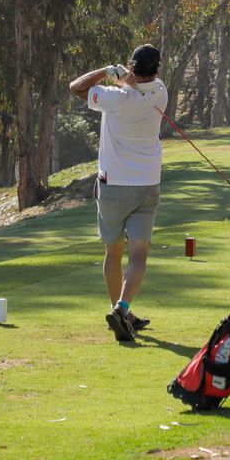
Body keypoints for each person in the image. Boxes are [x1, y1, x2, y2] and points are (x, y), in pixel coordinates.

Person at [69, 43, 167, 343]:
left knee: (114, 252)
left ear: (132, 65)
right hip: (146, 184)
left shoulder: (114, 99)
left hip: (113, 185)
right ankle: (123, 310)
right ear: (156, 70)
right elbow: (136, 87)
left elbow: (76, 87)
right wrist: (124, 78)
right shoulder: (161, 90)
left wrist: (105, 72)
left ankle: (119, 311)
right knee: (138, 255)